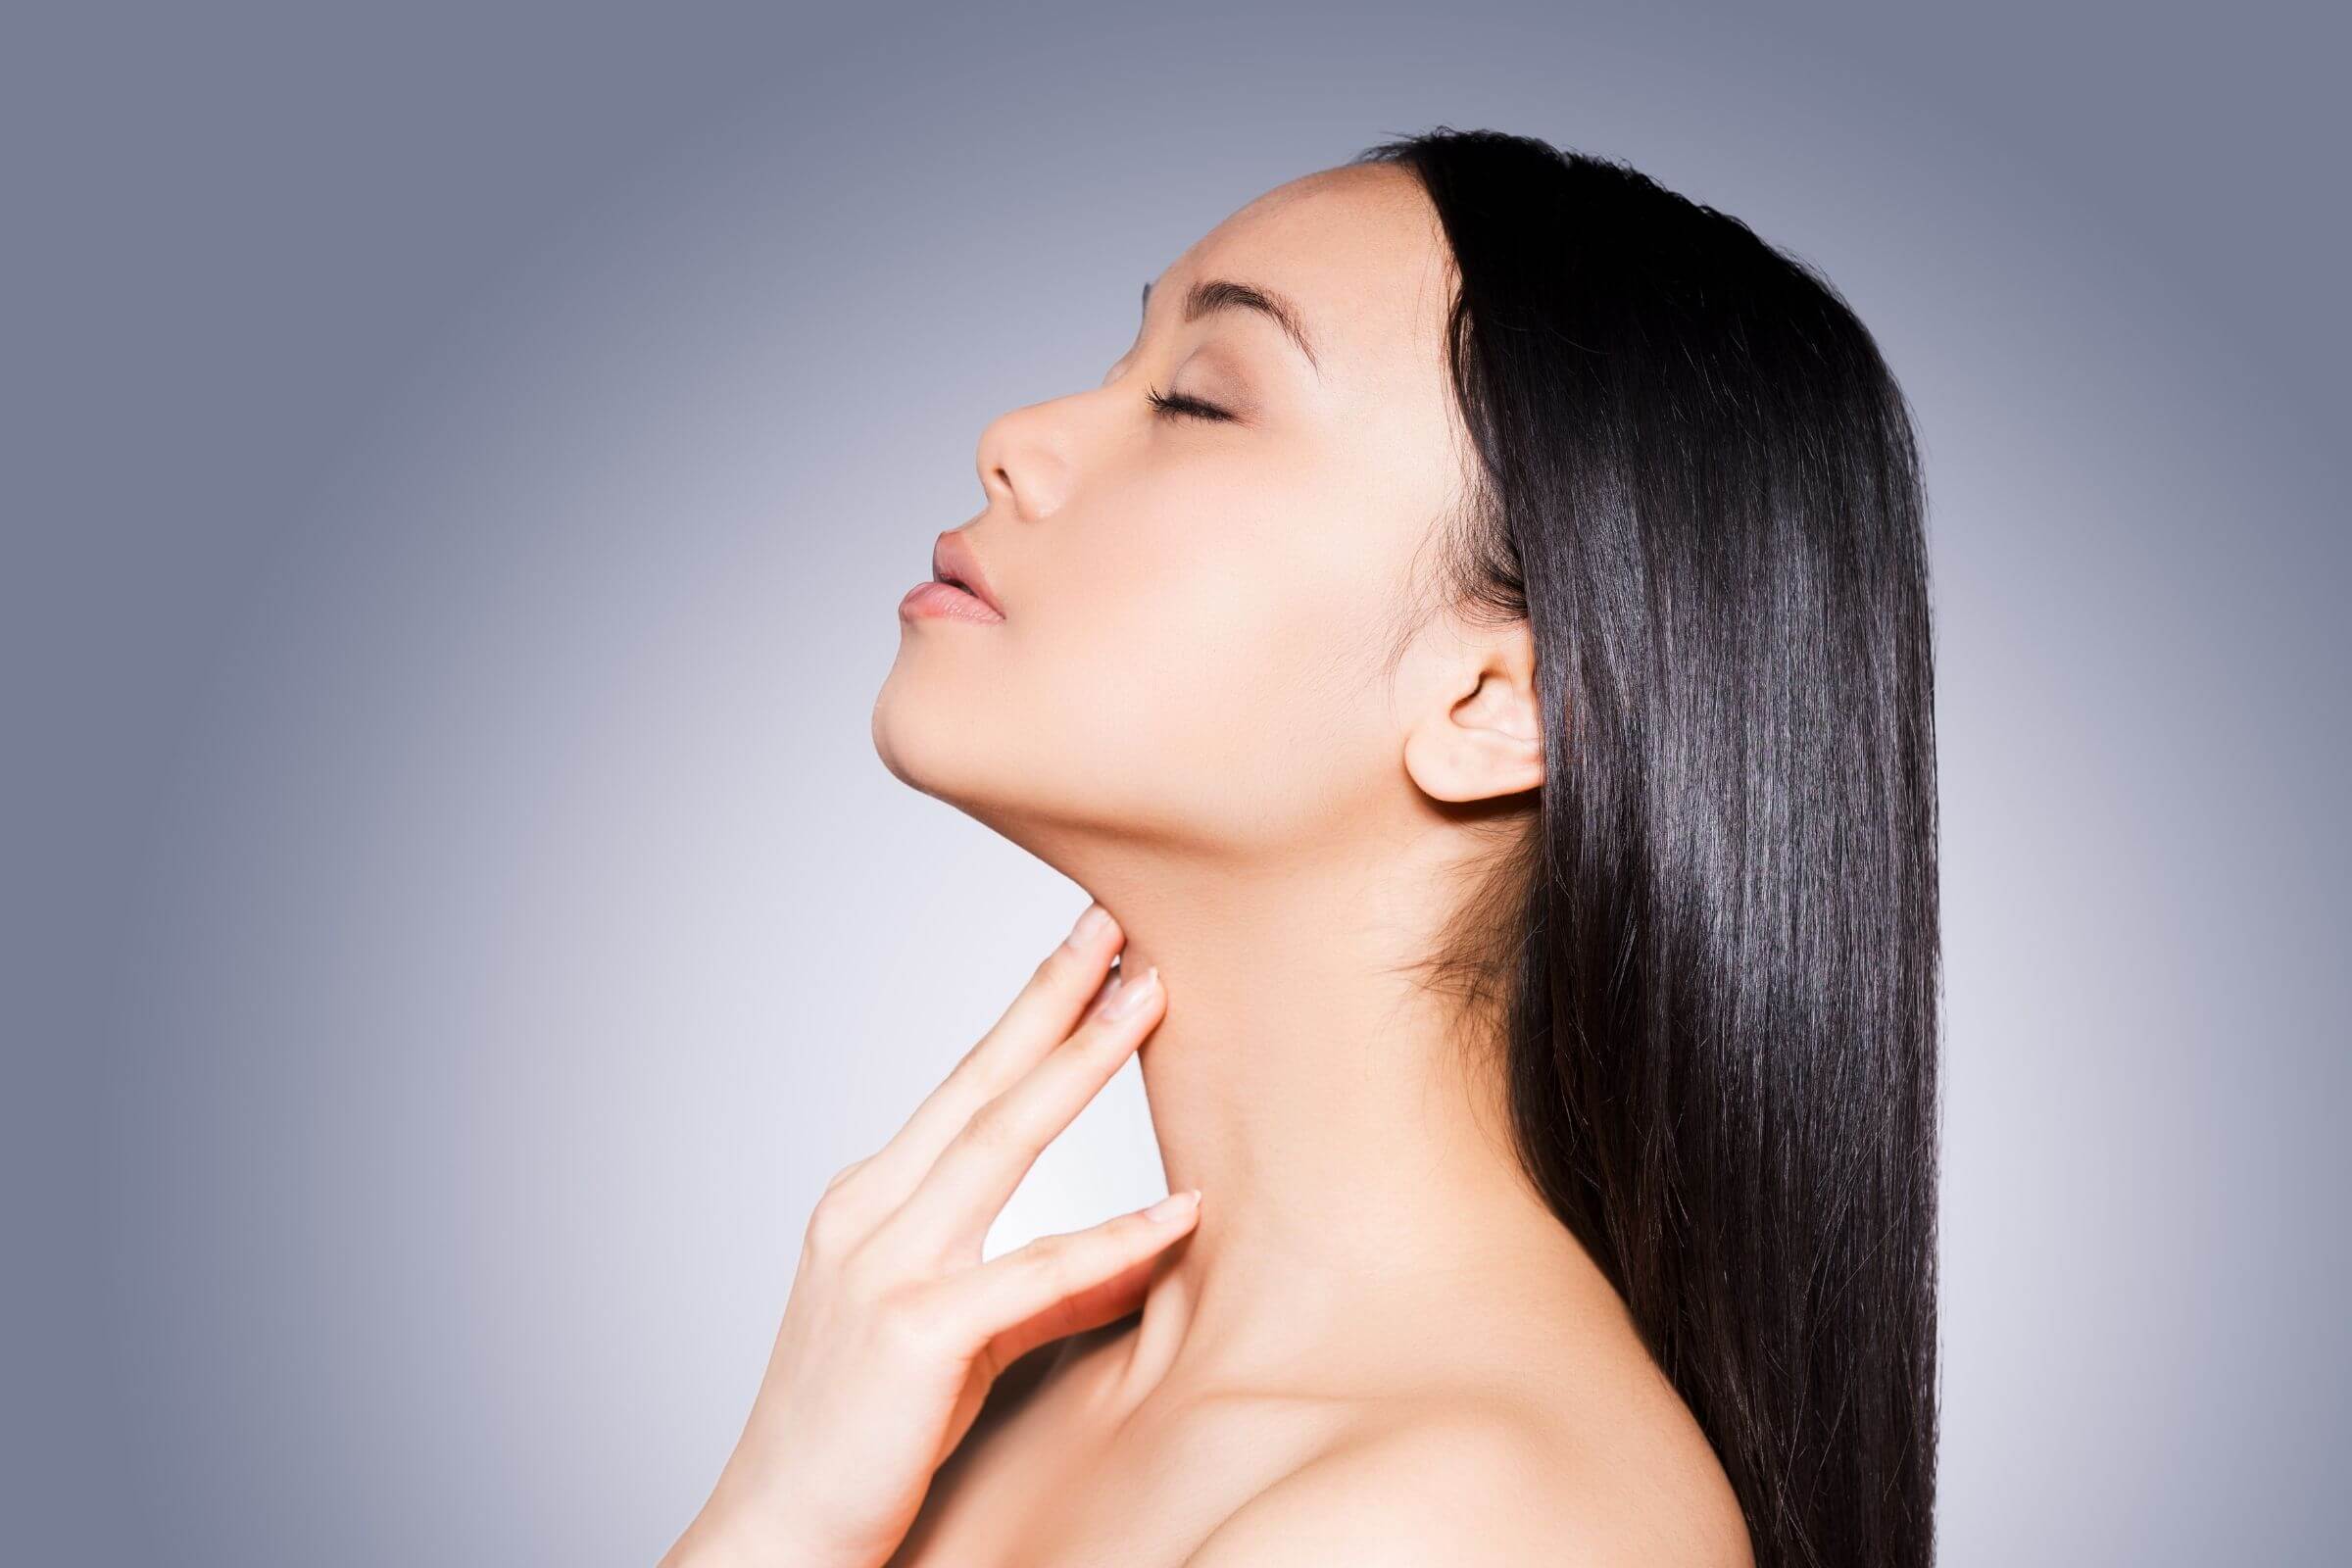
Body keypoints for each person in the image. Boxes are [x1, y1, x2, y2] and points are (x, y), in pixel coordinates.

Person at [662, 125, 1939, 1568]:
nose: (1015, 437)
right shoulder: (976, 1410)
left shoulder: (1478, 1524)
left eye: (1201, 402)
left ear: (1492, 703)